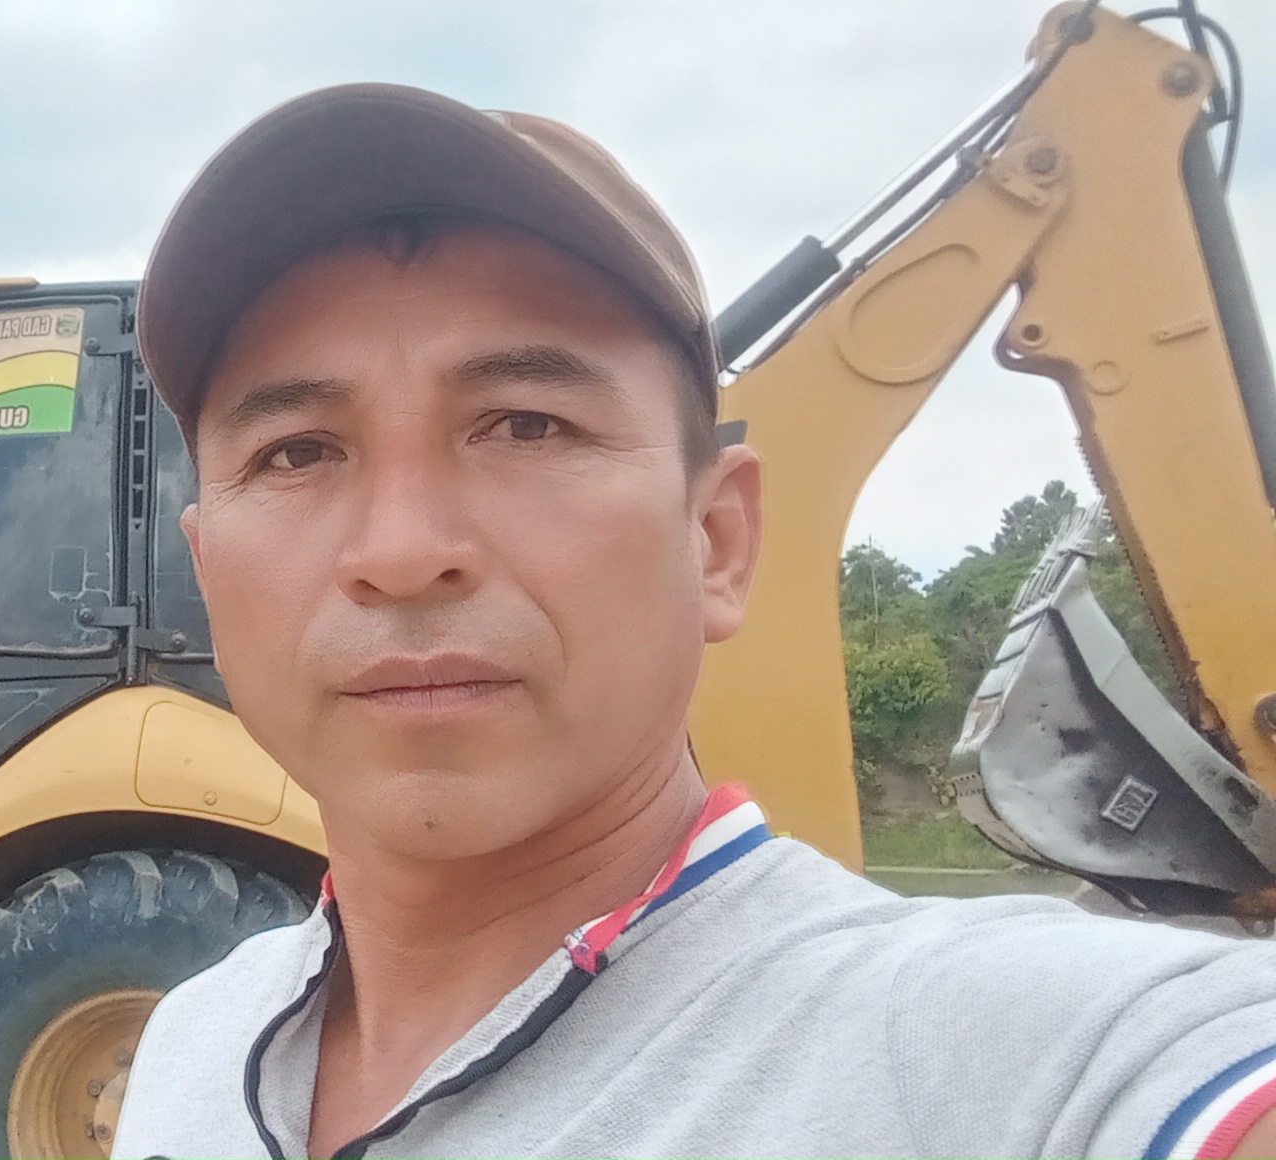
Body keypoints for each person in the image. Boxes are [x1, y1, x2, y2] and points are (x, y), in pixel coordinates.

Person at [108, 83, 1276, 1160]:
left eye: (526, 424)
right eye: (297, 451)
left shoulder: (1000, 1055)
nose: (403, 551)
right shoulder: (193, 1041)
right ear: (209, 571)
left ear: (717, 540)